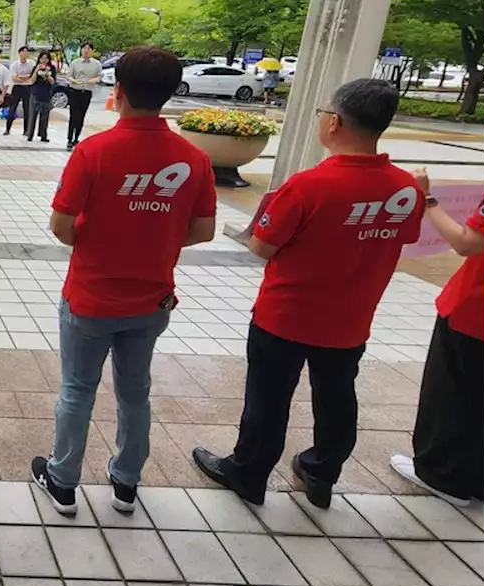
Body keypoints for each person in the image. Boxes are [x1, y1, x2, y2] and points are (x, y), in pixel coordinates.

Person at [192, 79, 424, 509]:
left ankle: (248, 472)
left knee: (268, 398)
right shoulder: (406, 189)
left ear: (334, 122)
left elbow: (261, 246)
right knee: (337, 397)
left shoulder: (308, 185)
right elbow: (405, 235)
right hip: (351, 320)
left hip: (286, 316)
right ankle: (320, 471)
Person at [31, 46, 216, 515]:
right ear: (172, 92)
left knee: (77, 389)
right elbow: (203, 229)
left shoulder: (94, 151)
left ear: (118, 91)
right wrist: (157, 239)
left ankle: (63, 480)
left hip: (92, 294)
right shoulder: (193, 157)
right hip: (151, 298)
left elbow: (61, 224)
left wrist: (101, 239)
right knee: (136, 391)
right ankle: (126, 482)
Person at [389, 169, 484, 507]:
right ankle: (476, 478)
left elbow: (466, 243)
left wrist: (427, 199)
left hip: (476, 311)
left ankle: (440, 474)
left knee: (451, 392)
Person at [66, 42, 102, 150]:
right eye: (84, 48)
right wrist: (74, 80)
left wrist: (93, 80)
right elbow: (69, 76)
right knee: (73, 115)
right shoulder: (75, 63)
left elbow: (99, 77)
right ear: (81, 50)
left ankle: (76, 138)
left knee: (81, 115)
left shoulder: (96, 64)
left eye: (88, 48)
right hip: (74, 91)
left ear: (91, 51)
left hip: (86, 92)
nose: (86, 50)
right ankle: (69, 138)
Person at [26, 52, 58, 143]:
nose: (44, 60)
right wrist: (37, 70)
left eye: (46, 58)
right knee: (32, 115)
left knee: (45, 117)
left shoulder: (52, 68)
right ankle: (30, 135)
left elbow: (53, 82)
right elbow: (31, 81)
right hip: (35, 93)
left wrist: (47, 73)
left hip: (46, 94)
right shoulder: (35, 68)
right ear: (39, 59)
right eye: (42, 58)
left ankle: (43, 135)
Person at [5, 46, 34, 136]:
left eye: (26, 51)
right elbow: (14, 78)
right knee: (12, 108)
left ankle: (26, 130)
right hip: (17, 87)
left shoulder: (32, 64)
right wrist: (25, 77)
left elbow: (32, 76)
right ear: (19, 53)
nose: (25, 53)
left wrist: (20, 76)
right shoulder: (15, 64)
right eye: (23, 51)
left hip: (27, 88)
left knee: (27, 109)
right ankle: (7, 129)